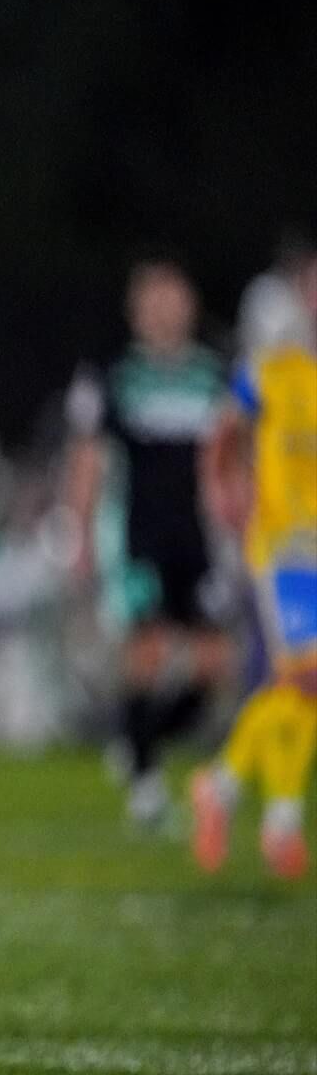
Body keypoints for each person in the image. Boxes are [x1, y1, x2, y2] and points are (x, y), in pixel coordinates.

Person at [64, 261, 233, 829]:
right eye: (153, 300)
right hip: (141, 536)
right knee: (149, 653)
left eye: (173, 299)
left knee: (212, 668)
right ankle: (144, 785)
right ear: (137, 310)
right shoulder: (115, 375)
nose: (164, 311)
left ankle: (136, 738)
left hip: (199, 537)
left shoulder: (214, 374)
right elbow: (88, 459)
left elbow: (235, 457)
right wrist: (82, 532)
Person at [190, 252, 317, 880]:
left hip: (312, 547)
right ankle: (276, 816)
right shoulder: (269, 372)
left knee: (300, 687)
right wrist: (224, 496)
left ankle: (231, 790)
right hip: (284, 550)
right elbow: (221, 435)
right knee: (305, 678)